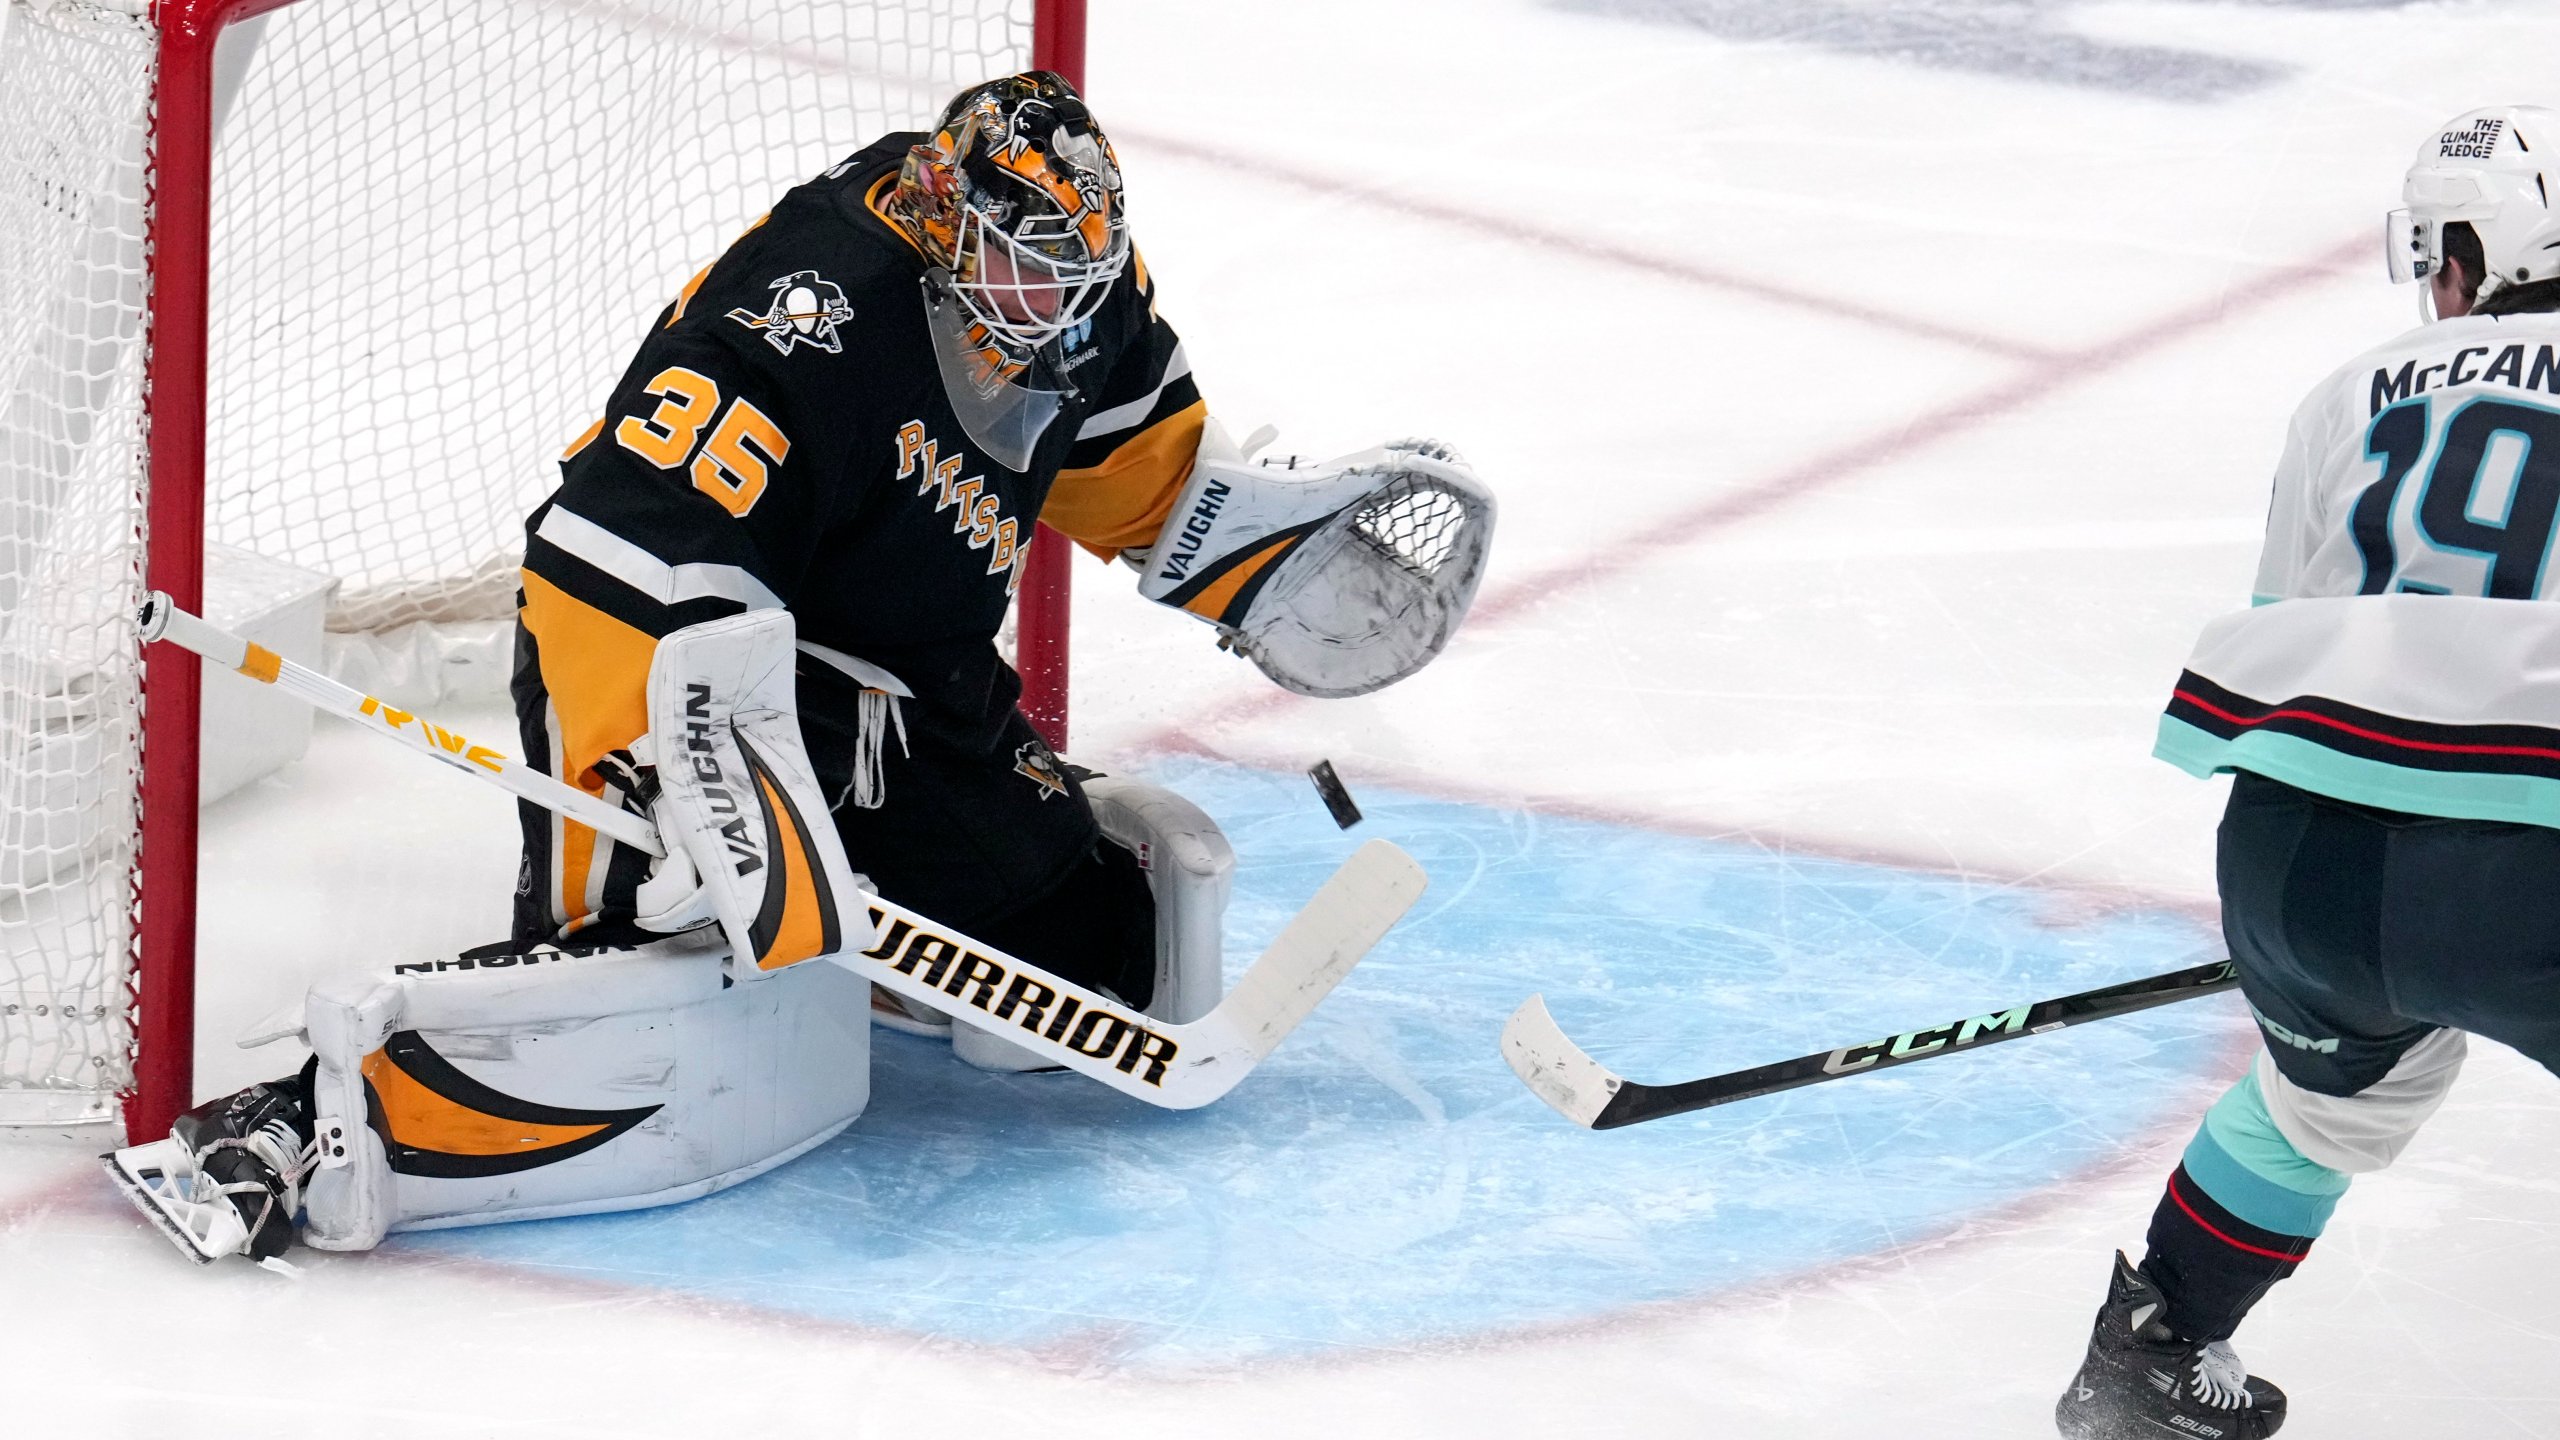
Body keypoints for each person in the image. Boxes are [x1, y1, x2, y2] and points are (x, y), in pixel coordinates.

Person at [106, 72, 1493, 1267]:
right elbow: (612, 556)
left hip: (904, 674)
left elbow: (1137, 476)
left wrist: (1253, 555)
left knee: (1103, 957)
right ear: (949, 221)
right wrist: (703, 766)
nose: (1051, 311)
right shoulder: (814, 308)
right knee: (635, 963)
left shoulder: (1077, 299)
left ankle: (865, 934)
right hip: (671, 644)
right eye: (1022, 272)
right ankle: (297, 1127)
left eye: (1074, 278)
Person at [2056, 104, 2560, 1439]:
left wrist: (2382, 919)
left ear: (2474, 251)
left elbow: (2297, 637)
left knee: (2313, 1106)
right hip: (2532, 869)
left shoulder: (2350, 392)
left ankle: (2149, 1356)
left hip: (2298, 871)